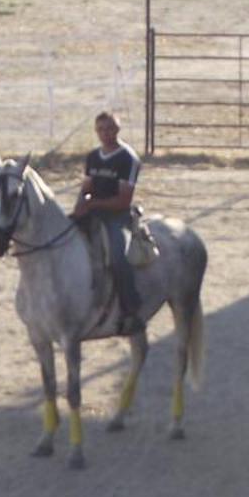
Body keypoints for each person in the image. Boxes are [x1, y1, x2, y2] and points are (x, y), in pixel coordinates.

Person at [68, 111, 145, 334]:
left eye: (110, 129)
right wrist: (79, 207)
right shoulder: (93, 156)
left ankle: (132, 310)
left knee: (118, 257)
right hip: (93, 212)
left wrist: (92, 205)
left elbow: (123, 200)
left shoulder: (128, 158)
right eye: (101, 129)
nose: (106, 134)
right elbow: (87, 188)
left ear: (118, 130)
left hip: (117, 216)